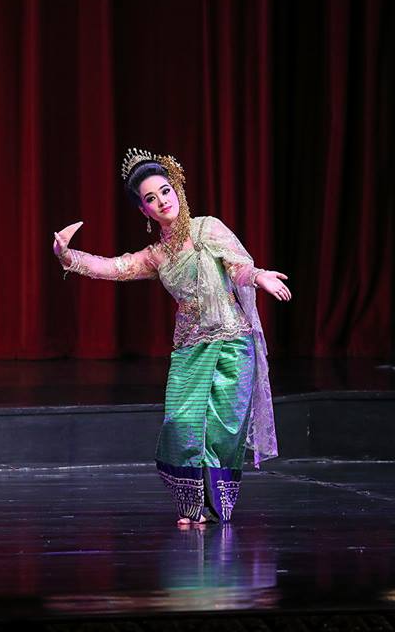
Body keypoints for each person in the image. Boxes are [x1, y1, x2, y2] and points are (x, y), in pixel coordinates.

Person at [53, 148, 291, 527]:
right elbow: (116, 267)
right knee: (182, 426)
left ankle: (213, 508)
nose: (162, 201)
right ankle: (190, 505)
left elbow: (238, 267)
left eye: (165, 191)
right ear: (144, 211)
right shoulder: (156, 256)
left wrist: (259, 275)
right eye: (151, 199)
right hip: (190, 350)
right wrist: (68, 256)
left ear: (177, 189)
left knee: (222, 432)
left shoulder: (207, 229)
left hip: (232, 344)